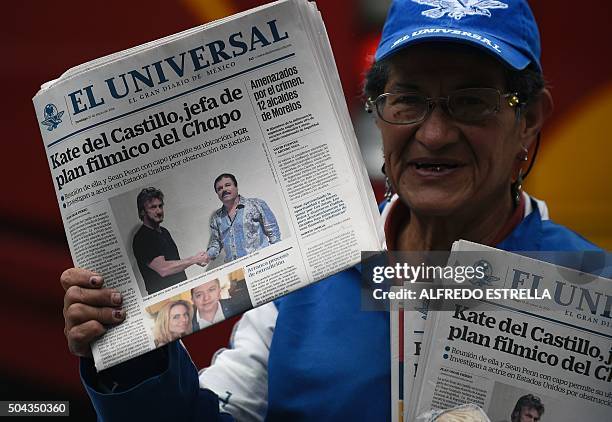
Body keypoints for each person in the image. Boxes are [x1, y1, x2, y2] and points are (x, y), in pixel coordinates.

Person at [60, 1, 603, 420]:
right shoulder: (317, 264)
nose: (434, 135)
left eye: (471, 101)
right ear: (377, 112)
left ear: (530, 119)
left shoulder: (593, 294)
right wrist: (132, 348)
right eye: (408, 99)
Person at [132, 187, 208, 294]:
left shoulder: (164, 231)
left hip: (182, 290)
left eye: (160, 206)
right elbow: (164, 269)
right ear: (142, 212)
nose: (159, 211)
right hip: (165, 297)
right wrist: (194, 259)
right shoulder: (142, 238)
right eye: (153, 207)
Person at [204, 173, 281, 264]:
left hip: (260, 264)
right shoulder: (217, 218)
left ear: (236, 187)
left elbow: (274, 235)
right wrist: (206, 256)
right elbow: (216, 244)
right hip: (235, 269)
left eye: (227, 185)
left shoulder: (256, 204)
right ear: (217, 194)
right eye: (219, 189)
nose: (224, 189)